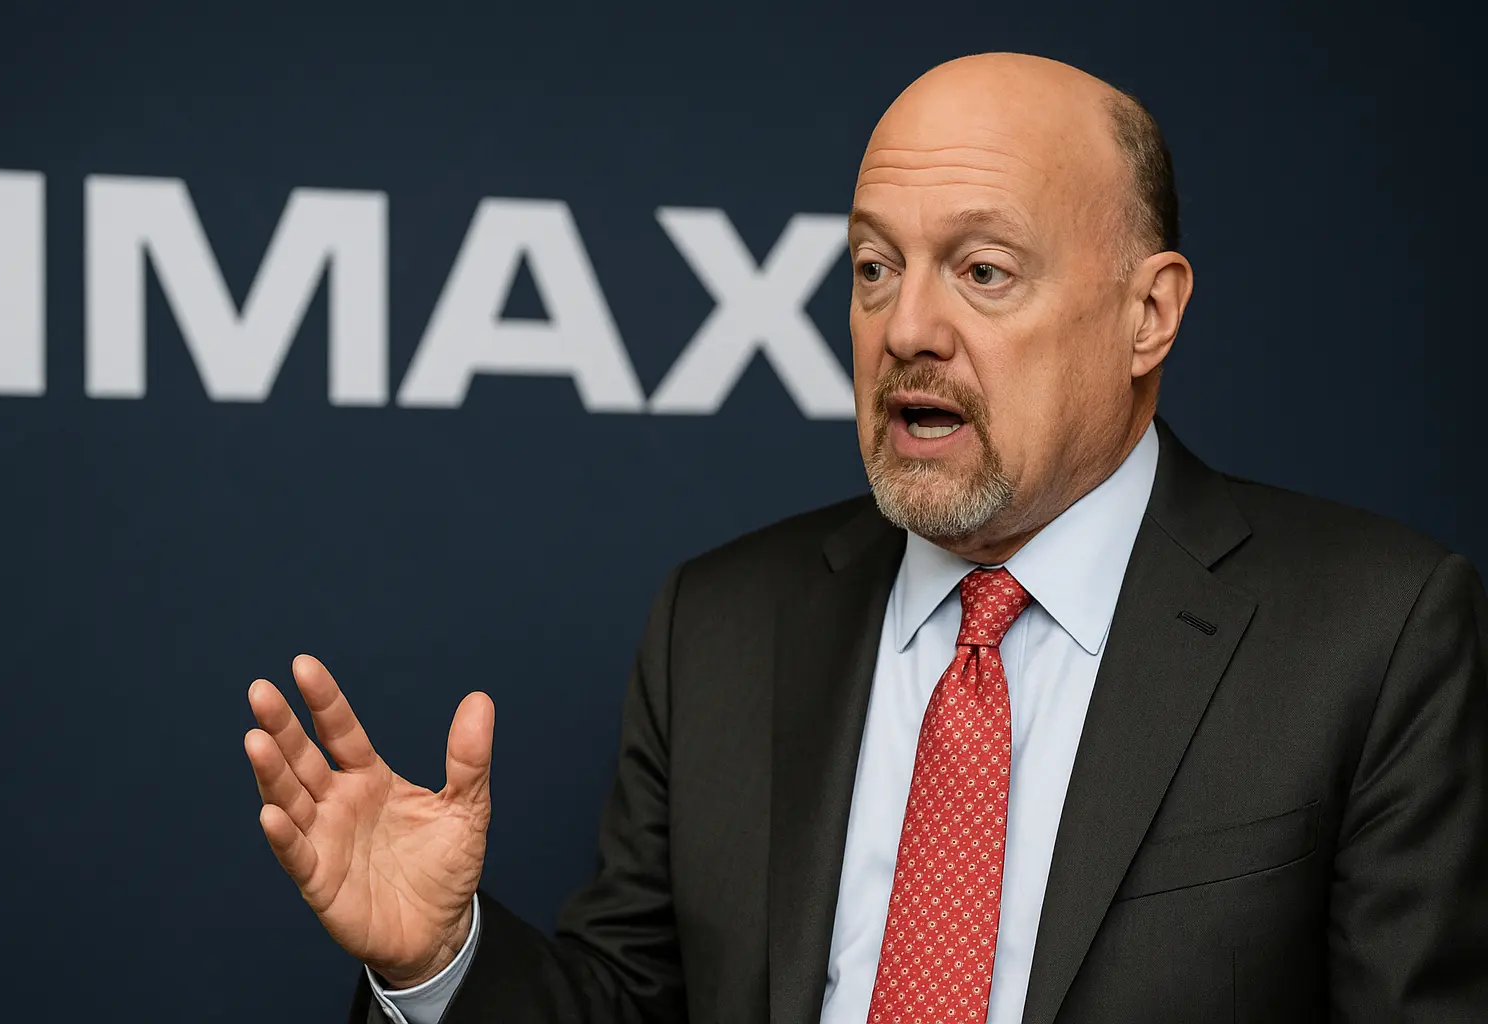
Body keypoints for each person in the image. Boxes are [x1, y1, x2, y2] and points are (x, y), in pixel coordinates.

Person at [243, 53, 1488, 1024]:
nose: (906, 329)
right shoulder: (720, 626)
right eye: (875, 267)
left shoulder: (1369, 634)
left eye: (984, 271)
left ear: (1149, 312)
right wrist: (442, 960)